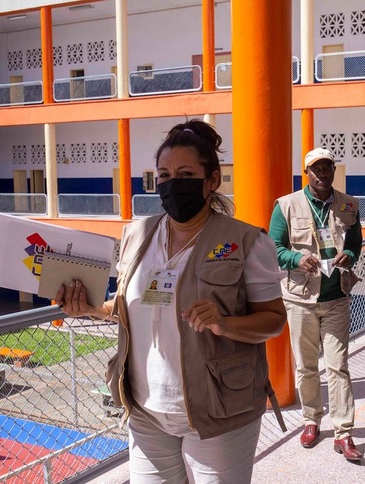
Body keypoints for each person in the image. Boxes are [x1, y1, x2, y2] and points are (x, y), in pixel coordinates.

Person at [56, 119, 287, 483]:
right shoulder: (137, 234)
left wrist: (223, 323)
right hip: (146, 409)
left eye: (185, 173)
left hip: (218, 410)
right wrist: (91, 309)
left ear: (212, 181)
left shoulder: (246, 242)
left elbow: (274, 320)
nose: (171, 183)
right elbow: (132, 306)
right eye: (163, 174)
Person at [268, 147, 364, 461]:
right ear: (306, 172)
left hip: (336, 297)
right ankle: (311, 420)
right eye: (316, 169)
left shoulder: (349, 204)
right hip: (300, 299)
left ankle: (344, 432)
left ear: (334, 170)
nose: (323, 174)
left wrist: (349, 255)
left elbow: (355, 242)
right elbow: (274, 247)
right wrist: (296, 258)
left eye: (328, 168)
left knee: (338, 366)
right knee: (306, 366)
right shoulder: (286, 205)